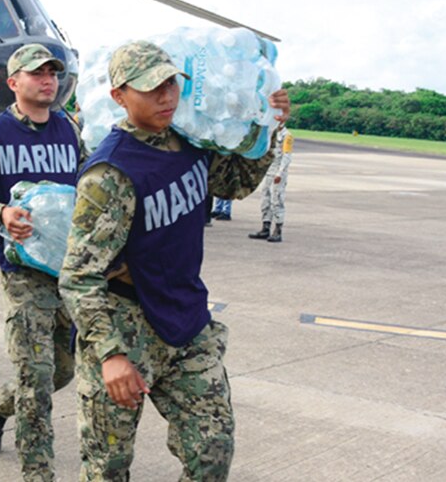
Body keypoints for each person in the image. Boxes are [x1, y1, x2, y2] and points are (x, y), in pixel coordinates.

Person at [58, 41, 290, 480]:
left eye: (170, 84)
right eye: (150, 88)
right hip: (123, 325)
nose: (166, 96)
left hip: (185, 320)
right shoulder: (110, 173)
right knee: (106, 468)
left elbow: (236, 183)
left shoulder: (190, 143)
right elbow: (78, 276)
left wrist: (271, 127)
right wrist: (109, 355)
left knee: (212, 452)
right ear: (119, 97)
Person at [0, 43, 82, 481]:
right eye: (37, 73)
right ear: (14, 83)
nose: (48, 79)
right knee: (36, 385)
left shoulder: (69, 130)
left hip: (68, 273)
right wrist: (1, 213)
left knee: (61, 373)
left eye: (53, 72)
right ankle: (37, 474)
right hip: (24, 274)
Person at [248, 125, 293, 243]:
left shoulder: (287, 135)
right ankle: (265, 227)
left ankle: (278, 230)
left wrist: (280, 173)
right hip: (269, 170)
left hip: (278, 171)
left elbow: (287, 156)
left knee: (276, 200)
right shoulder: (271, 133)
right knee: (265, 199)